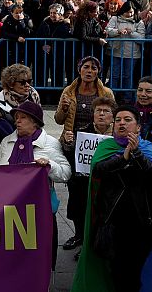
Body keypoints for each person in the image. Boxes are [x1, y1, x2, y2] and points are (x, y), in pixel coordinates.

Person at [72, 105, 152, 292]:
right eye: (118, 120)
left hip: (144, 222)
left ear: (138, 127)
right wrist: (123, 158)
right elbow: (99, 170)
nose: (122, 123)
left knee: (133, 272)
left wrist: (136, 154)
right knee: (117, 271)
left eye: (127, 120)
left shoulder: (149, 148)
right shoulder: (105, 147)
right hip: (111, 223)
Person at [0, 101, 71, 271]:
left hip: (39, 211)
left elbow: (65, 173)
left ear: (35, 122)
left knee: (42, 254)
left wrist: (49, 164)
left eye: (23, 118)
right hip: (10, 209)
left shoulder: (50, 144)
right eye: (16, 118)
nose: (17, 121)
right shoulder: (7, 141)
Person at [54, 56, 115, 251]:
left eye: (94, 68)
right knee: (76, 192)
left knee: (97, 192)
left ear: (98, 71)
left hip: (98, 146)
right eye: (86, 67)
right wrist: (63, 110)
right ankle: (79, 233)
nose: (89, 71)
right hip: (73, 147)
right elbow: (58, 119)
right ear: (79, 70)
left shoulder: (106, 92)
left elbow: (112, 118)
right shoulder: (69, 91)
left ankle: (95, 236)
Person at [105, 1, 145, 103]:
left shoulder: (139, 22)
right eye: (127, 12)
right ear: (123, 11)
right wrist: (118, 31)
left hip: (132, 54)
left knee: (128, 76)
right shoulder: (115, 19)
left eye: (131, 12)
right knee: (114, 75)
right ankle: (112, 97)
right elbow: (108, 30)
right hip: (116, 52)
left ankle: (127, 99)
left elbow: (142, 38)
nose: (129, 14)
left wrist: (132, 33)